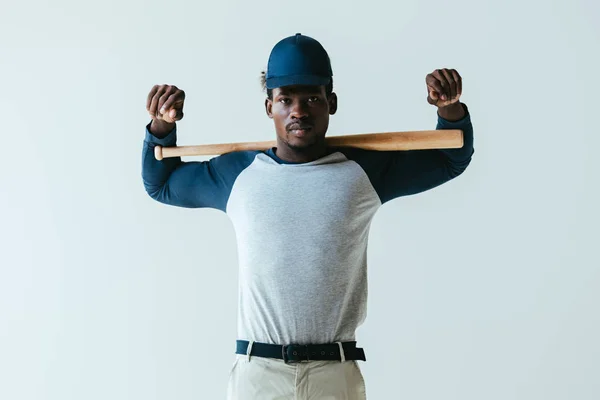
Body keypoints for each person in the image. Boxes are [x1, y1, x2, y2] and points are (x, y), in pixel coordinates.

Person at [141, 33, 474, 400]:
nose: (298, 111)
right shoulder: (236, 174)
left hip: (335, 373)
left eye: (312, 99)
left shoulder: (363, 171)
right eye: (285, 100)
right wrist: (161, 128)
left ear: (331, 102)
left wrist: (450, 110)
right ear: (269, 107)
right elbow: (162, 183)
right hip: (259, 374)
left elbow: (450, 157)